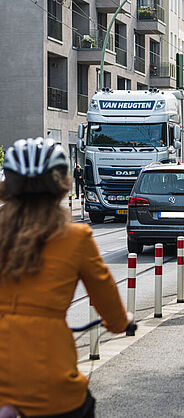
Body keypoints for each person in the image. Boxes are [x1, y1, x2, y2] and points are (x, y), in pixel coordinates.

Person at [0, 137, 131, 417]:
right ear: (61, 187)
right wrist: (121, 322)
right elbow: (105, 296)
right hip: (48, 382)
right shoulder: (75, 237)